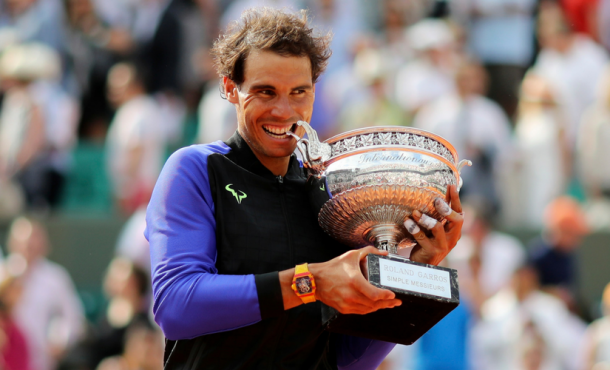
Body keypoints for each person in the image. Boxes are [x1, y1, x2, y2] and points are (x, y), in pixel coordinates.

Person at [145, 8, 465, 369]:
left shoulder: (333, 197)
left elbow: (346, 361)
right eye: (265, 92)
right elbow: (176, 305)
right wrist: (308, 282)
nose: (284, 111)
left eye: (299, 92)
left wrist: (414, 272)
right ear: (231, 89)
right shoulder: (197, 169)